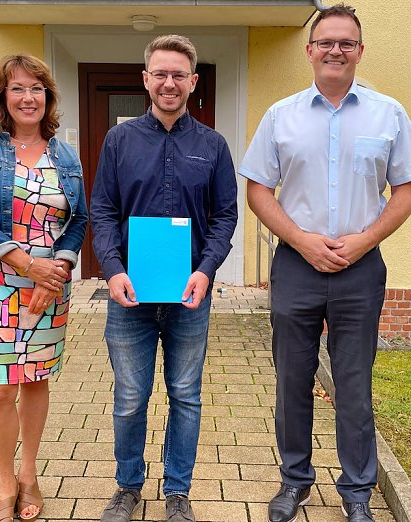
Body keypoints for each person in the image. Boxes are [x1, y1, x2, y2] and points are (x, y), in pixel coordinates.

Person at [239, 5, 411, 522]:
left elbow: (407, 189)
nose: (335, 50)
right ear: (310, 50)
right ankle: (294, 481)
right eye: (326, 41)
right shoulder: (281, 115)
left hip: (361, 267)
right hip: (297, 266)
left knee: (354, 383)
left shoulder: (388, 113)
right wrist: (302, 241)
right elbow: (258, 189)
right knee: (291, 382)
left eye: (346, 43)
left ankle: (357, 493)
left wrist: (364, 240)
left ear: (360, 51)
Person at [90, 34, 238, 522]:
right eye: (161, 73)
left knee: (186, 395)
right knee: (130, 398)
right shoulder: (119, 140)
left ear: (193, 82)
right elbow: (103, 210)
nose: (169, 83)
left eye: (179, 74)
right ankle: (128, 487)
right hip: (129, 294)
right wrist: (111, 270)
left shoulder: (213, 146)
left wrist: (206, 270)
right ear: (146, 80)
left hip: (189, 295)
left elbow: (225, 217)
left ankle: (178, 491)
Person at [0, 54, 88, 522]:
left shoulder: (65, 155)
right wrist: (28, 264)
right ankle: (5, 482)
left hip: (48, 288)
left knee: (34, 380)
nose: (28, 97)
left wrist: (58, 268)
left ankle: (30, 474)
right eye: (17, 88)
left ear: (48, 96)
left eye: (36, 88)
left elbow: (79, 221)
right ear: (3, 96)